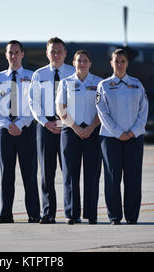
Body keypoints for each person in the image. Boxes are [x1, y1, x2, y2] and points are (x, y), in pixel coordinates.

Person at [0, 40, 41, 223]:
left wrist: (20, 124)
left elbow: (35, 104)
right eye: (10, 52)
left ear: (22, 54)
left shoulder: (31, 76)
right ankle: (5, 213)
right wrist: (5, 123)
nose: (13, 56)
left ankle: (34, 214)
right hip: (4, 131)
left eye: (16, 52)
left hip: (26, 130)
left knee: (29, 174)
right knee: (6, 174)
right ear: (6, 55)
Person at [95, 48, 148, 225]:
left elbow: (144, 111)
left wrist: (134, 131)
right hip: (110, 138)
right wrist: (118, 132)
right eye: (116, 61)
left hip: (134, 137)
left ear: (127, 63)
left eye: (122, 61)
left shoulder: (137, 84)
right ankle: (114, 216)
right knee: (112, 178)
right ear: (111, 63)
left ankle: (132, 216)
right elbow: (102, 112)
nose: (119, 64)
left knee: (133, 177)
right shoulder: (103, 86)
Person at [28, 37, 75, 224]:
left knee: (69, 172)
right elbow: (33, 102)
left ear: (65, 54)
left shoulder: (73, 73)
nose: (56, 54)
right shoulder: (39, 75)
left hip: (68, 129)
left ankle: (72, 213)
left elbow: (76, 103)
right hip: (45, 127)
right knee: (47, 174)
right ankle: (48, 213)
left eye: (59, 51)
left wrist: (66, 123)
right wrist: (45, 122)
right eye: (52, 51)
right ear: (47, 53)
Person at [56, 50, 103, 225]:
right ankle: (72, 213)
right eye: (78, 61)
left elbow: (102, 109)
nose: (81, 64)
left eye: (85, 61)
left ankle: (91, 214)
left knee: (92, 174)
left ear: (90, 63)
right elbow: (61, 109)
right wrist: (75, 128)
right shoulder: (66, 83)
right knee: (70, 174)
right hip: (71, 131)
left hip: (93, 131)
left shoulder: (98, 83)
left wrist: (91, 127)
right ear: (73, 63)